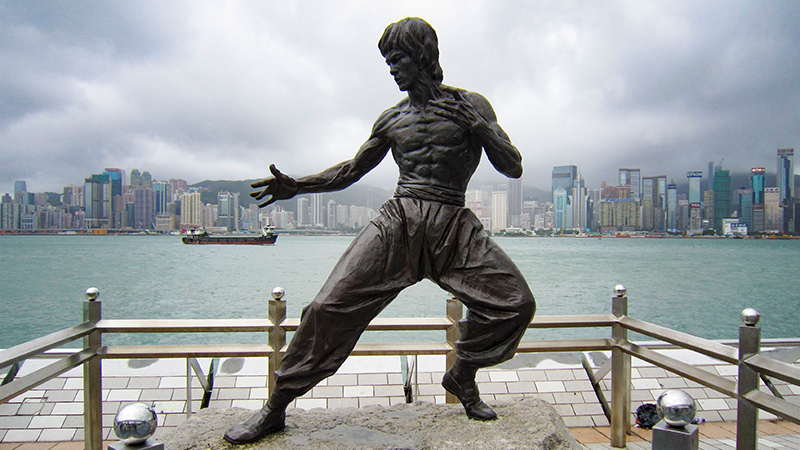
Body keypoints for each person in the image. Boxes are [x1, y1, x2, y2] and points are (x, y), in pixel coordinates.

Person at [224, 17, 535, 445]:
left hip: (452, 223)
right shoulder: (392, 119)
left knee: (515, 303)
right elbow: (352, 170)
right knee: (326, 308)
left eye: (399, 58)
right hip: (399, 222)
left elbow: (513, 166)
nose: (392, 68)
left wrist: (478, 125)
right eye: (388, 60)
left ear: (423, 56)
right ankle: (275, 409)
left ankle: (462, 374)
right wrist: (299, 186)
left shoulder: (471, 105)